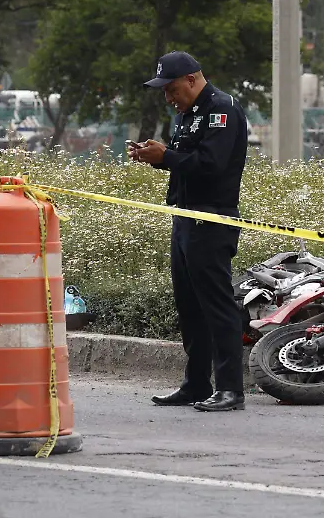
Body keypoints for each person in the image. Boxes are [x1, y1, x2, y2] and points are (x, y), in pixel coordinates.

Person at [128, 51, 249, 413]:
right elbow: (185, 162)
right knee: (190, 307)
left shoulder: (222, 110)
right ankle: (196, 384)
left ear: (192, 79)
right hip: (184, 217)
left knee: (217, 306)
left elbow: (212, 165)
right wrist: (156, 156)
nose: (168, 97)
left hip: (211, 220)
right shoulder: (188, 114)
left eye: (172, 88)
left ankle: (230, 389)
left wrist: (166, 156)